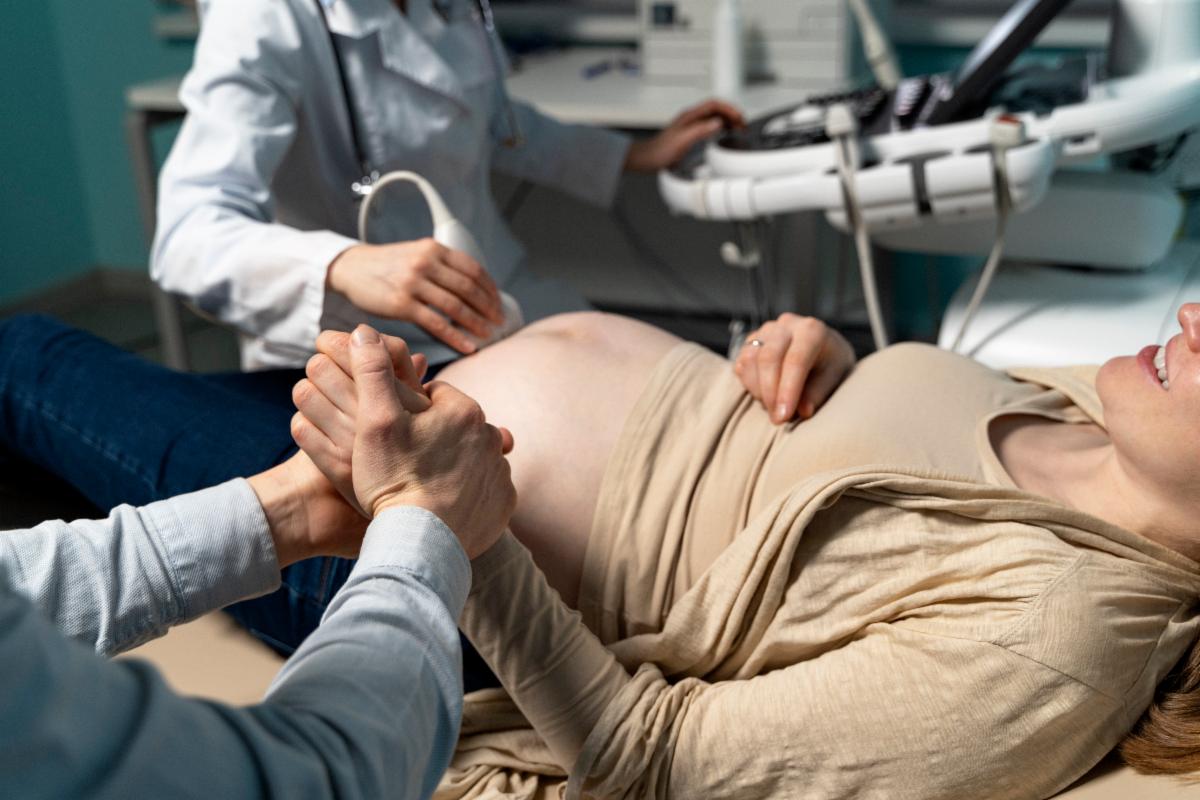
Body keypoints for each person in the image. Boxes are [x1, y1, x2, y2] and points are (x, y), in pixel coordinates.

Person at [289, 306, 1200, 797]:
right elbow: (858, 483)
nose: (1194, 315)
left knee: (141, 435)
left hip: (424, 565)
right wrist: (828, 360)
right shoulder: (1097, 406)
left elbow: (650, 760)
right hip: (440, 435)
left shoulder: (1051, 643)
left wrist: (443, 518)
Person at [0, 327, 516, 798]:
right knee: (19, 355)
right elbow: (312, 781)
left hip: (378, 523)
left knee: (19, 351)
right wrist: (424, 530)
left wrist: (290, 508)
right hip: (454, 606)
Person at [153, 0, 743, 369]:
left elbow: (495, 124)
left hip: (501, 295)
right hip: (370, 347)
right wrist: (344, 264)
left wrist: (636, 153)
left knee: (662, 377)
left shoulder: (447, 5)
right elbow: (187, 236)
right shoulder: (263, 14)